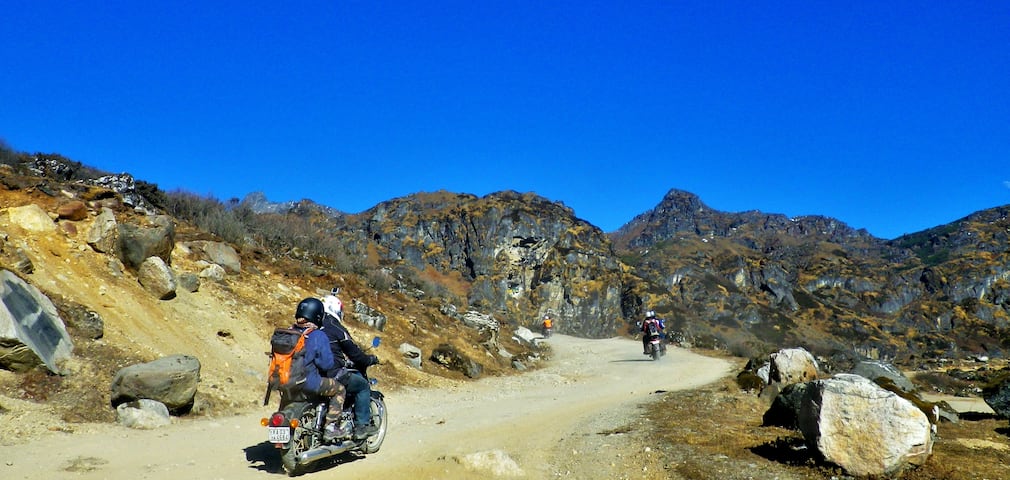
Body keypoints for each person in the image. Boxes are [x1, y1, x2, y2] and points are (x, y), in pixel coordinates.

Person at [319, 297, 380, 440]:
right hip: (331, 374)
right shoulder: (335, 327)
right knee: (363, 386)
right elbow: (355, 354)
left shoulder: (310, 326)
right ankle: (361, 426)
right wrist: (369, 359)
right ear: (336, 309)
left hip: (308, 374)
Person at [291, 298, 344, 431]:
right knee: (340, 389)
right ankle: (331, 427)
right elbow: (326, 364)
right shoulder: (317, 335)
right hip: (307, 382)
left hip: (283, 381)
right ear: (318, 316)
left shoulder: (288, 332)